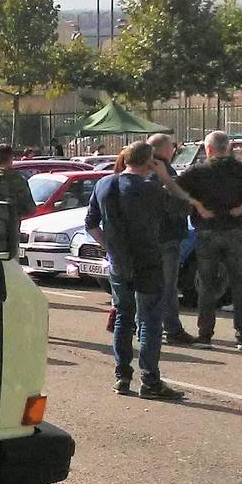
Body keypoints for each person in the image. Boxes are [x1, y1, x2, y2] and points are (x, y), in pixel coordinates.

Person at [85, 142, 185, 401]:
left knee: (123, 317)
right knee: (150, 321)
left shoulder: (104, 184)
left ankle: (122, 375)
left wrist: (109, 246)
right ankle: (150, 380)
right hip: (147, 260)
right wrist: (166, 177)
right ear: (149, 162)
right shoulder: (150, 189)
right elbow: (182, 207)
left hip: (119, 261)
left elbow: (91, 224)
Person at [178, 130, 242, 351]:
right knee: (239, 283)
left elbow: (173, 188)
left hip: (206, 230)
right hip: (236, 230)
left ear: (209, 149)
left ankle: (205, 335)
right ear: (228, 148)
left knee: (207, 285)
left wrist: (196, 205)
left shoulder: (198, 171)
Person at [146, 133, 206, 344]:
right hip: (167, 237)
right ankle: (172, 329)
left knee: (148, 285)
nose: (174, 151)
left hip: (148, 238)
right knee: (167, 287)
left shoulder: (142, 169)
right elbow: (178, 207)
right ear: (165, 150)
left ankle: (144, 326)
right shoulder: (164, 172)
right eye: (172, 147)